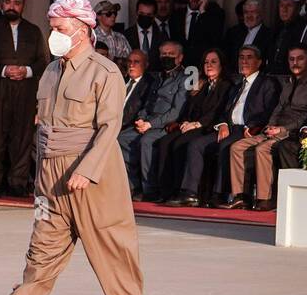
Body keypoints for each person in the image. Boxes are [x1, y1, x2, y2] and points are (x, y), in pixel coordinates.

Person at [0, 0, 144, 295]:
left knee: (109, 243)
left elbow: (109, 127)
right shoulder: (52, 70)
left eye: (60, 28)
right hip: (51, 170)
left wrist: (88, 170)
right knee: (44, 243)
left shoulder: (105, 72)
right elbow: (43, 124)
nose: (54, 34)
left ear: (81, 31)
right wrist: (40, 175)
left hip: (89, 172)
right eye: (53, 27)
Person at [165, 45, 278, 207]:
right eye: (241, 57)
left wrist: (254, 126)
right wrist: (223, 124)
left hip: (247, 130)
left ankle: (219, 195)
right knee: (196, 145)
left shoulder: (266, 83)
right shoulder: (238, 84)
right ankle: (190, 193)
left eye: (249, 57)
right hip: (229, 128)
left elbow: (269, 110)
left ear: (259, 62)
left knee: (225, 146)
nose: (244, 61)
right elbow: (225, 110)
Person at [222, 45, 307, 210]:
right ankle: (241, 196)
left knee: (263, 149)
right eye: (291, 59)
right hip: (274, 129)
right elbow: (278, 109)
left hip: (291, 132)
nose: (295, 62)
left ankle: (264, 198)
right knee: (237, 147)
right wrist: (270, 126)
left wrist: (282, 129)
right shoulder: (288, 82)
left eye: (300, 59)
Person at [0, 0, 49, 197]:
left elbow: (43, 61)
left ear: (23, 5)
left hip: (25, 92)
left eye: (17, 3)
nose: (12, 6)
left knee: (22, 138)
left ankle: (17, 182)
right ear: (1, 3)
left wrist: (26, 70)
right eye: (8, 2)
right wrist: (3, 70)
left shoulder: (33, 30)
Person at [155, 48, 234, 200]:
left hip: (209, 127)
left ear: (222, 65)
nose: (209, 65)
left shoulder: (227, 85)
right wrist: (185, 121)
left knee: (181, 143)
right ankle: (165, 191)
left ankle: (183, 190)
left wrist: (197, 124)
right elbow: (190, 106)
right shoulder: (201, 84)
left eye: (213, 62)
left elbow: (218, 111)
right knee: (165, 142)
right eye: (206, 62)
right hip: (192, 124)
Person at [118, 39, 186, 201]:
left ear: (180, 57)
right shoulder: (157, 78)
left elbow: (176, 111)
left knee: (146, 141)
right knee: (121, 139)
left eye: (171, 54)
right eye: (163, 54)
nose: (166, 57)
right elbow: (147, 104)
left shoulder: (184, 78)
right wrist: (141, 119)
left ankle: (150, 190)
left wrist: (150, 124)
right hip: (147, 122)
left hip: (165, 125)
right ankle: (132, 187)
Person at [169, 0, 225, 68]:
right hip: (181, 67)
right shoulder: (176, 16)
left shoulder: (214, 14)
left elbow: (215, 38)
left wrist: (202, 11)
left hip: (204, 66)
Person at [222, 0, 275, 70]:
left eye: (253, 12)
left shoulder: (270, 35)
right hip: (235, 78)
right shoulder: (234, 33)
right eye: (246, 12)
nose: (249, 15)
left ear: (261, 14)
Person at [125, 0, 162, 69]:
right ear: (136, 13)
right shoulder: (126, 35)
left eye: (149, 15)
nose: (145, 17)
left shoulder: (162, 35)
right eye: (141, 14)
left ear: (154, 16)